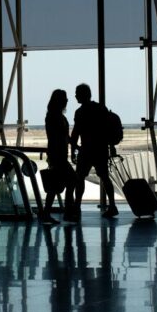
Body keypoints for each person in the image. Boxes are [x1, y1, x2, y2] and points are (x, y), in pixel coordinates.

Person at [69, 83, 117, 220]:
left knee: (80, 178)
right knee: (105, 177)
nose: (75, 96)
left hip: (86, 150)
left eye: (77, 93)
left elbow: (75, 133)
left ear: (82, 95)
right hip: (100, 149)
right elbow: (107, 129)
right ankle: (112, 205)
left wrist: (73, 150)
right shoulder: (101, 108)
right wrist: (111, 146)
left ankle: (77, 206)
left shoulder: (80, 112)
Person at [41, 89, 71, 225]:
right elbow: (61, 137)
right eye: (65, 98)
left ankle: (47, 213)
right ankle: (68, 211)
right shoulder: (56, 117)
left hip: (57, 155)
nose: (67, 100)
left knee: (54, 187)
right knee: (72, 181)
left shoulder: (52, 116)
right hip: (59, 156)